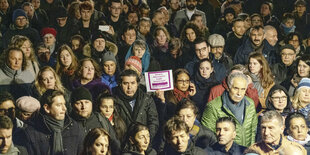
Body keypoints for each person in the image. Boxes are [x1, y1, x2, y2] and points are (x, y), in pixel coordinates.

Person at [202, 72, 258, 147]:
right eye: (236, 88)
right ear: (228, 87)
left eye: (243, 89)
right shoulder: (213, 106)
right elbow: (208, 136)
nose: (239, 93)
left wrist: (250, 150)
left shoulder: (250, 103)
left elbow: (253, 130)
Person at [22, 89, 85, 155]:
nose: (64, 108)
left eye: (64, 104)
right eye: (59, 105)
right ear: (47, 108)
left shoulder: (74, 127)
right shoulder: (31, 132)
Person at [70, 87, 120, 154]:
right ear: (72, 105)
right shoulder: (68, 123)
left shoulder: (101, 120)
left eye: (87, 102)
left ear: (91, 103)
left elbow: (115, 145)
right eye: (79, 103)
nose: (83, 107)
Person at [113, 69, 159, 141]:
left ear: (137, 84)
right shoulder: (114, 100)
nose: (129, 87)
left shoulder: (146, 99)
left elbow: (153, 122)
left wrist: (145, 139)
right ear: (120, 84)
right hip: (122, 145)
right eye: (125, 83)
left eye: (132, 83)